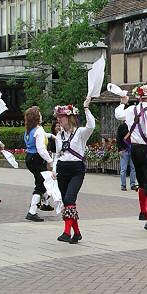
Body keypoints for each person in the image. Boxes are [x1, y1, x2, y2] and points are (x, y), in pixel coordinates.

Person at [115, 84, 147, 237]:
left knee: (142, 181)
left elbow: (118, 114)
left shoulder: (131, 109)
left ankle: (143, 212)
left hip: (135, 150)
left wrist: (123, 102)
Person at [53, 97, 95, 244]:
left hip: (77, 169)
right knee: (67, 201)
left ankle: (66, 232)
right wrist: (53, 170)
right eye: (58, 117)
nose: (59, 120)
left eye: (62, 117)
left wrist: (86, 108)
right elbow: (57, 154)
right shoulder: (59, 135)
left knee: (70, 198)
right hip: (62, 169)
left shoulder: (81, 132)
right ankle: (76, 233)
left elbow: (91, 126)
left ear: (70, 118)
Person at [23, 106, 55, 222]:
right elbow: (41, 149)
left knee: (42, 181)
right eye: (39, 115)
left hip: (29, 158)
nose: (41, 116)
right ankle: (32, 211)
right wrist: (50, 161)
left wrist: (52, 136)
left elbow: (41, 136)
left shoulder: (30, 130)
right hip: (37, 159)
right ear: (36, 117)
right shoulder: (39, 130)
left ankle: (45, 202)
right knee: (40, 184)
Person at [117, 119, 138, 192]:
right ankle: (123, 185)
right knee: (124, 169)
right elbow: (119, 138)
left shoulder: (133, 127)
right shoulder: (122, 127)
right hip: (124, 150)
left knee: (133, 168)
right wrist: (119, 149)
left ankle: (132, 184)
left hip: (132, 149)